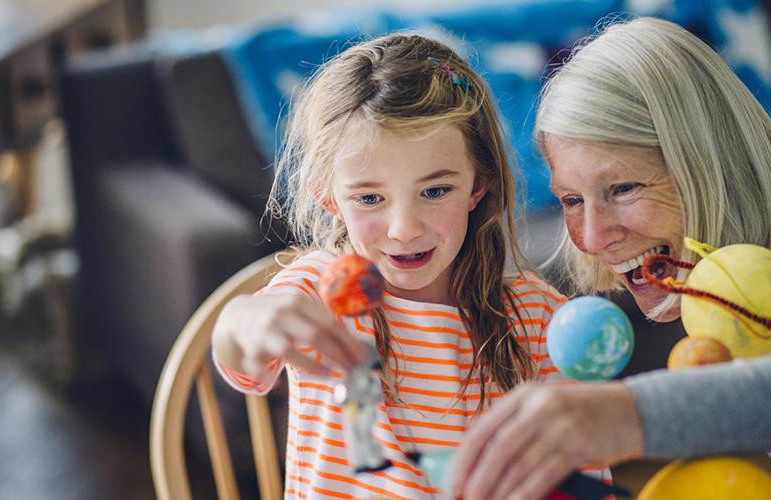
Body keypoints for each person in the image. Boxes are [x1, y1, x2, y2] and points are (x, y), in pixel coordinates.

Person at [450, 16, 771, 500]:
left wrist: (626, 414)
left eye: (624, 187)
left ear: (710, 162)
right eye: (572, 200)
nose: (591, 237)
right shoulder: (725, 297)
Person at [211, 33, 611, 499]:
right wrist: (245, 320)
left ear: (477, 187)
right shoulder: (317, 291)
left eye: (435, 191)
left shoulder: (538, 317)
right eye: (370, 198)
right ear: (329, 198)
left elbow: (582, 473)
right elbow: (240, 353)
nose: (403, 228)